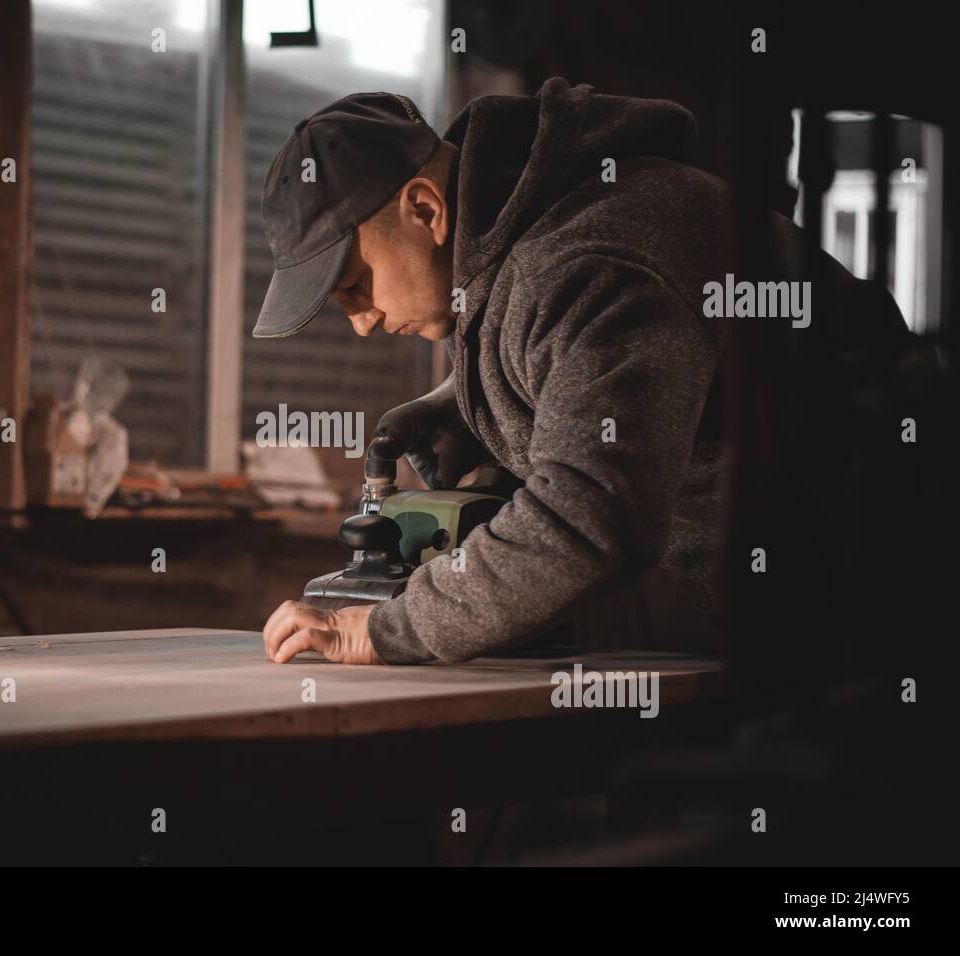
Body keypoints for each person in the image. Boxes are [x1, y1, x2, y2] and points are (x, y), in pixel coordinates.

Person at [255, 80, 913, 665]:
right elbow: (582, 352)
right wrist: (470, 401)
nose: (362, 323)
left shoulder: (580, 262)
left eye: (354, 286)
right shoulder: (539, 224)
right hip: (808, 590)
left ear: (425, 210)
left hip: (893, 601)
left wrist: (382, 630)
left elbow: (588, 518)